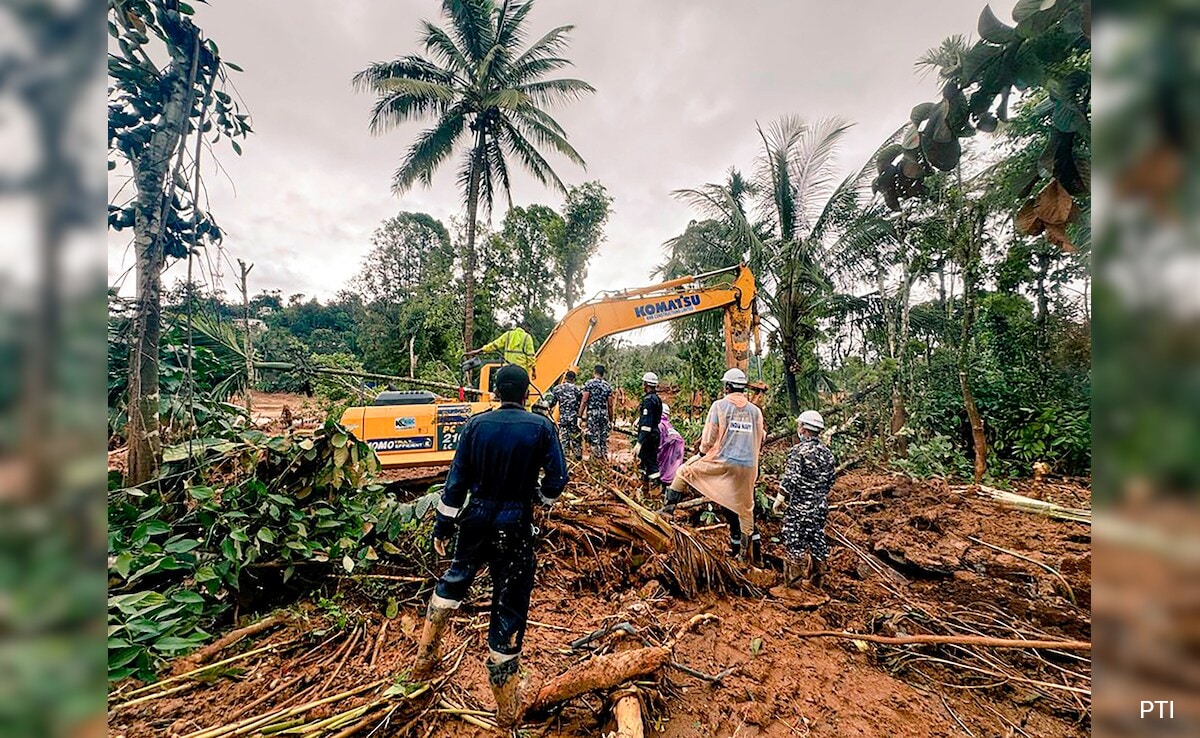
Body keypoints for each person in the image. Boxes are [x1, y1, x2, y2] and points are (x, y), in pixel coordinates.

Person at [411, 365, 568, 728]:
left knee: (454, 578)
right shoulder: (543, 428)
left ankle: (424, 660)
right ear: (527, 393)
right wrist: (542, 497)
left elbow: (456, 482)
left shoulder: (475, 426)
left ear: (496, 393)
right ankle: (507, 711)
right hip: (514, 524)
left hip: (475, 519)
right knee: (509, 605)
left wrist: (444, 524)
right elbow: (557, 478)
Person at [665, 368, 765, 559]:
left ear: (727, 386)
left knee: (684, 471)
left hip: (722, 461)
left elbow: (710, 435)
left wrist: (702, 452)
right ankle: (744, 554)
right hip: (748, 466)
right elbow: (761, 437)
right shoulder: (756, 412)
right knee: (745, 509)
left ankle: (668, 510)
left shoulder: (720, 406)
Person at [772, 410, 836, 589]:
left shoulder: (799, 451)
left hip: (800, 507)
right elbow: (831, 480)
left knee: (795, 540)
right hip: (820, 506)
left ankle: (793, 586)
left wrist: (780, 498)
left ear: (804, 428)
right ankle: (817, 582)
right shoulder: (827, 453)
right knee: (817, 539)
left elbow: (791, 478)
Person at [633, 372, 663, 493]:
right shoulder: (657, 399)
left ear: (645, 385)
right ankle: (645, 489)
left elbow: (647, 425)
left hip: (648, 438)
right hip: (654, 435)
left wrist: (640, 442)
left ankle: (656, 492)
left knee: (650, 463)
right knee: (645, 462)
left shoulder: (649, 400)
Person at [467, 322, 537, 374]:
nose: (529, 332)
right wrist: (533, 370)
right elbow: (530, 356)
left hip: (508, 368)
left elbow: (494, 345)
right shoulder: (527, 337)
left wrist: (480, 350)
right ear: (526, 328)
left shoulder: (508, 334)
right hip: (522, 371)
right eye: (529, 330)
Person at [578, 364, 614, 462]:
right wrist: (611, 419)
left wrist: (579, 416)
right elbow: (610, 405)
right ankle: (604, 459)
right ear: (603, 374)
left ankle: (595, 461)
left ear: (594, 372)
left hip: (592, 414)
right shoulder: (607, 386)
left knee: (593, 438)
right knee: (603, 439)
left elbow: (584, 401)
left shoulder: (589, 384)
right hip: (603, 414)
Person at [550, 370, 584, 460]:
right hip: (574, 419)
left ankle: (565, 459)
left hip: (563, 419)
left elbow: (552, 403)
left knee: (563, 440)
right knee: (576, 439)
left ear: (565, 378)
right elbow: (581, 403)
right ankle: (578, 458)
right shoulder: (577, 389)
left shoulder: (558, 389)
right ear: (573, 379)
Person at [656, 403, 686, 495]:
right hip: (677, 451)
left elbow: (658, 443)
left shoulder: (659, 424)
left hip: (668, 451)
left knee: (662, 472)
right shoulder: (667, 424)